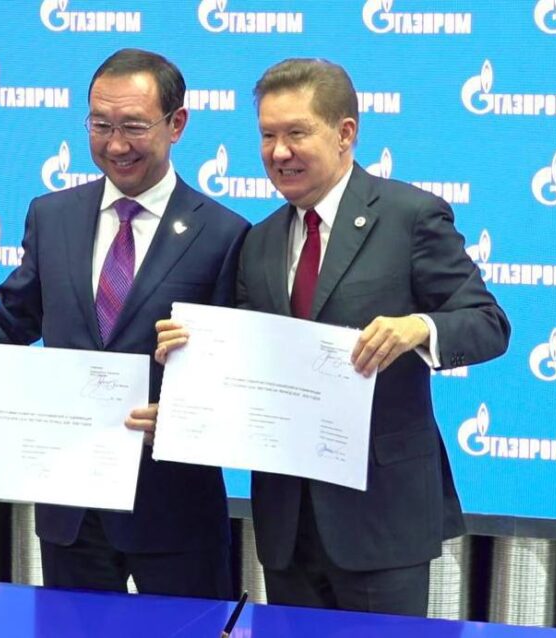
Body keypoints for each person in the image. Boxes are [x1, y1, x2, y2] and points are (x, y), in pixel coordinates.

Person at [156, 58, 510, 616]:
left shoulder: (410, 216)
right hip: (286, 521)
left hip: (381, 516)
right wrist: (190, 374)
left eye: (296, 133)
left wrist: (419, 327)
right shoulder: (259, 241)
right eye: (267, 136)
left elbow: (488, 323)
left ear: (345, 133)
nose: (279, 152)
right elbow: (249, 365)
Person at [0, 48, 249, 599]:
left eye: (134, 126)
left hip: (174, 509)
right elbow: (15, 316)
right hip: (70, 507)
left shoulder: (223, 233)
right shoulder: (52, 215)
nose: (115, 145)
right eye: (100, 125)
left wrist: (189, 416)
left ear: (177, 124)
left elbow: (236, 371)